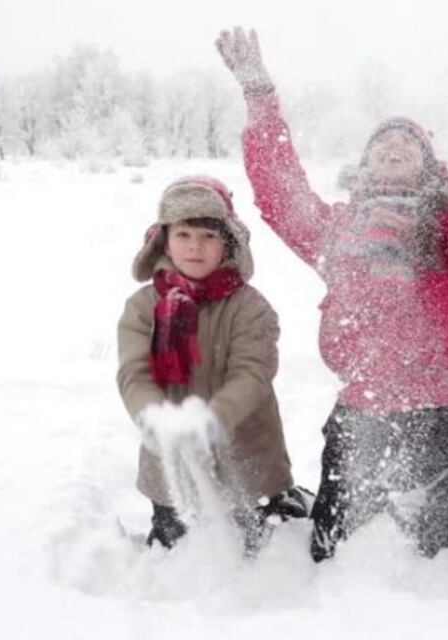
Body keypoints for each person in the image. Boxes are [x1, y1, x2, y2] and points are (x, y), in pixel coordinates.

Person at [215, 27, 448, 561]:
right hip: (357, 414)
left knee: (434, 552)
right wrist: (259, 97)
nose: (394, 147)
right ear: (363, 168)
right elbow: (280, 192)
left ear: (429, 170)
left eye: (408, 145)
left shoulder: (447, 236)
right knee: (331, 548)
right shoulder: (337, 235)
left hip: (435, 414)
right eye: (382, 145)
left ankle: (447, 516)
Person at [117, 175, 309, 551]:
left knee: (259, 550)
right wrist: (156, 417)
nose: (195, 247)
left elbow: (252, 373)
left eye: (208, 236)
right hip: (170, 469)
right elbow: (134, 374)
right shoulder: (142, 308)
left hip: (249, 462)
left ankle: (287, 503)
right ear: (165, 241)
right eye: (184, 235)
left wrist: (212, 419)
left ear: (228, 243)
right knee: (177, 548)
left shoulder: (250, 307)